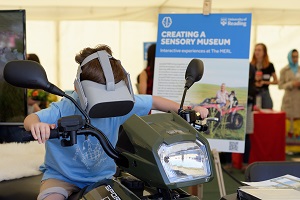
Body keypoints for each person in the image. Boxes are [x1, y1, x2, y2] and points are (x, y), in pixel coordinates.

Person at [23, 44, 209, 200]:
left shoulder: (119, 103)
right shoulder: (65, 107)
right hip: (63, 176)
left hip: (103, 176)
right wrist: (37, 125)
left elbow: (154, 100)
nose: (107, 105)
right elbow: (31, 119)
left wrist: (185, 110)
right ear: (77, 89)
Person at [279, 49, 300, 144]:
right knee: (287, 122)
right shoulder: (284, 70)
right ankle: (287, 146)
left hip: (298, 99)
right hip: (288, 99)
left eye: (297, 56)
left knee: (297, 121)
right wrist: (291, 84)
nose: (295, 59)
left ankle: (297, 147)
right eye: (293, 57)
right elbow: (280, 86)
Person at [250, 43, 278, 109]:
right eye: (255, 50)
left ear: (264, 52)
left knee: (268, 110)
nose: (257, 52)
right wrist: (254, 82)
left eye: (259, 50)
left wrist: (264, 82)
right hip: (254, 92)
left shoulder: (270, 65)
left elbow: (276, 81)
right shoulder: (251, 65)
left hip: (265, 92)